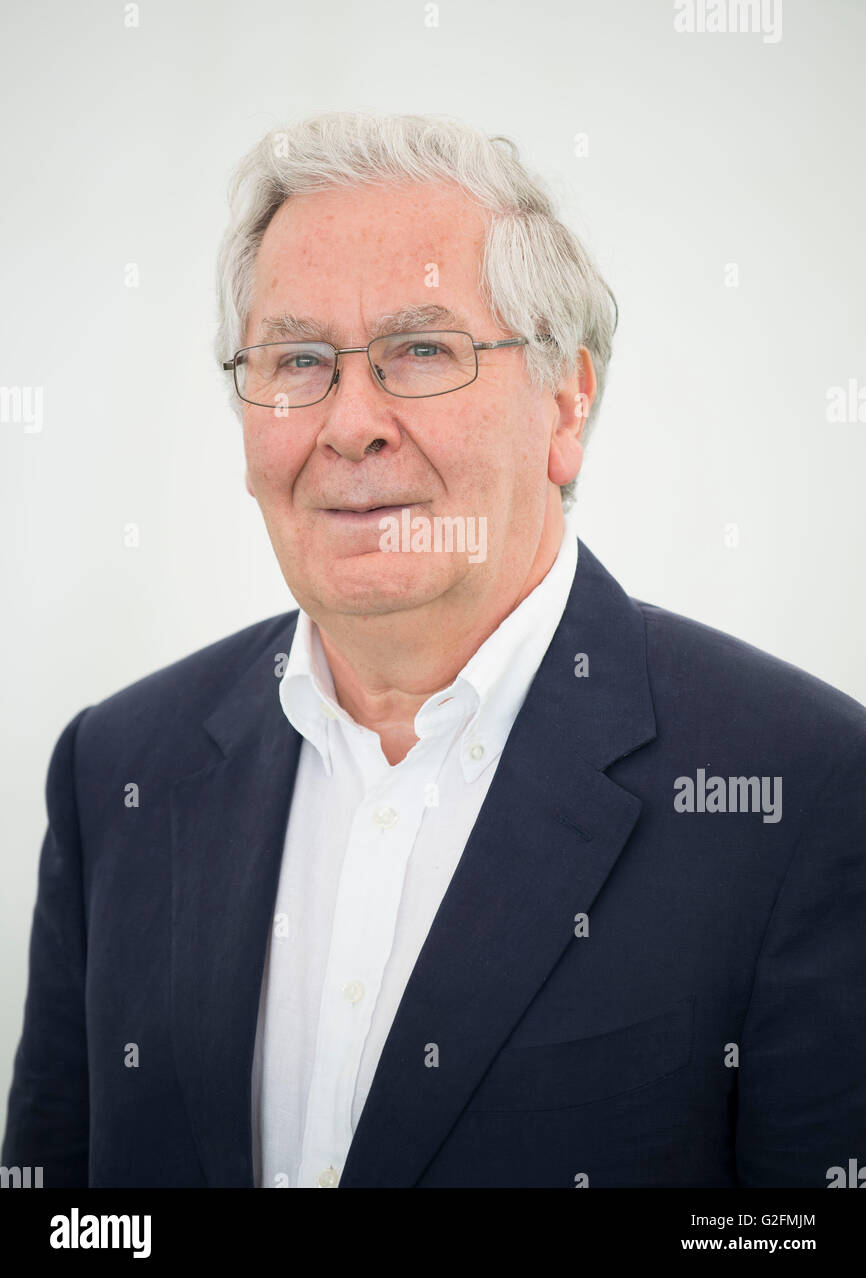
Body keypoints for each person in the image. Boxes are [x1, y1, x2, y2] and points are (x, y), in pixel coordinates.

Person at [3, 112, 865, 1188]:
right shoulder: (116, 770)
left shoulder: (802, 788)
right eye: (298, 358)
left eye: (419, 350)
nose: (350, 421)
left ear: (565, 402)